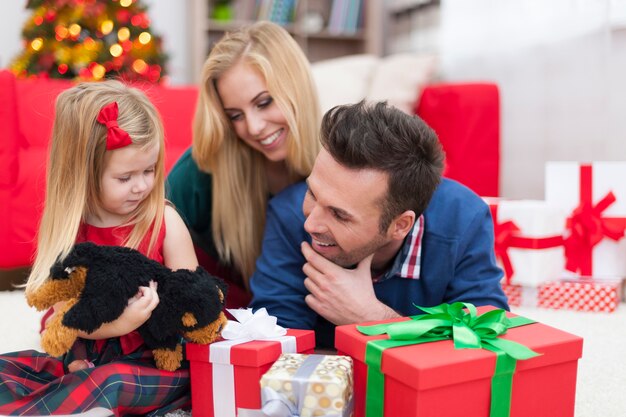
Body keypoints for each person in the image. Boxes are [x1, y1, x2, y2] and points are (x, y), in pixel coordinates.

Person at [0, 80, 200, 416]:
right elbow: (68, 316)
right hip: (88, 354)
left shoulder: (164, 222)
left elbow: (197, 299)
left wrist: (149, 317)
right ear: (84, 174)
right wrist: (109, 332)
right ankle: (71, 392)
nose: (141, 186)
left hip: (155, 362)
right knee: (10, 368)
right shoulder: (73, 231)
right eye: (125, 178)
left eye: (149, 171)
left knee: (110, 382)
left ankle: (60, 400)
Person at [249, 100, 509, 348]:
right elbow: (277, 344)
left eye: (339, 215)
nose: (311, 224)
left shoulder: (463, 219)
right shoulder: (288, 214)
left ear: (400, 225)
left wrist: (373, 319)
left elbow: (486, 344)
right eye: (313, 194)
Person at [166, 21, 321, 308]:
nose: (254, 127)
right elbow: (142, 238)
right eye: (235, 115)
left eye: (264, 102)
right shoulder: (203, 168)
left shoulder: (340, 160)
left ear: (296, 88)